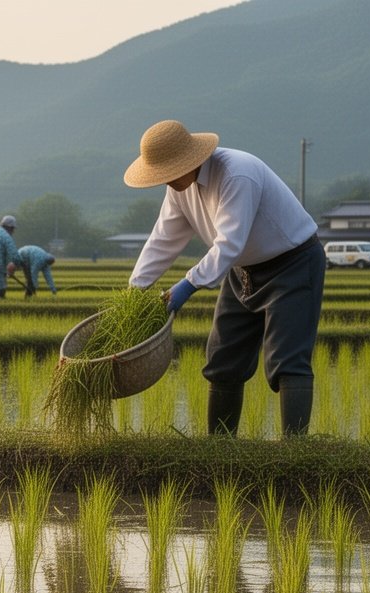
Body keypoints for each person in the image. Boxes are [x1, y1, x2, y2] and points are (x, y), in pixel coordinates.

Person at [126, 120, 323, 436]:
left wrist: (187, 285)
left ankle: (294, 450)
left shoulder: (237, 173)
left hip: (292, 264)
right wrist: (136, 288)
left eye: (169, 172)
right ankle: (218, 445)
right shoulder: (179, 188)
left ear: (190, 159)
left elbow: (230, 242)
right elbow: (163, 238)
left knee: (287, 360)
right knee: (222, 358)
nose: (167, 181)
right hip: (242, 271)